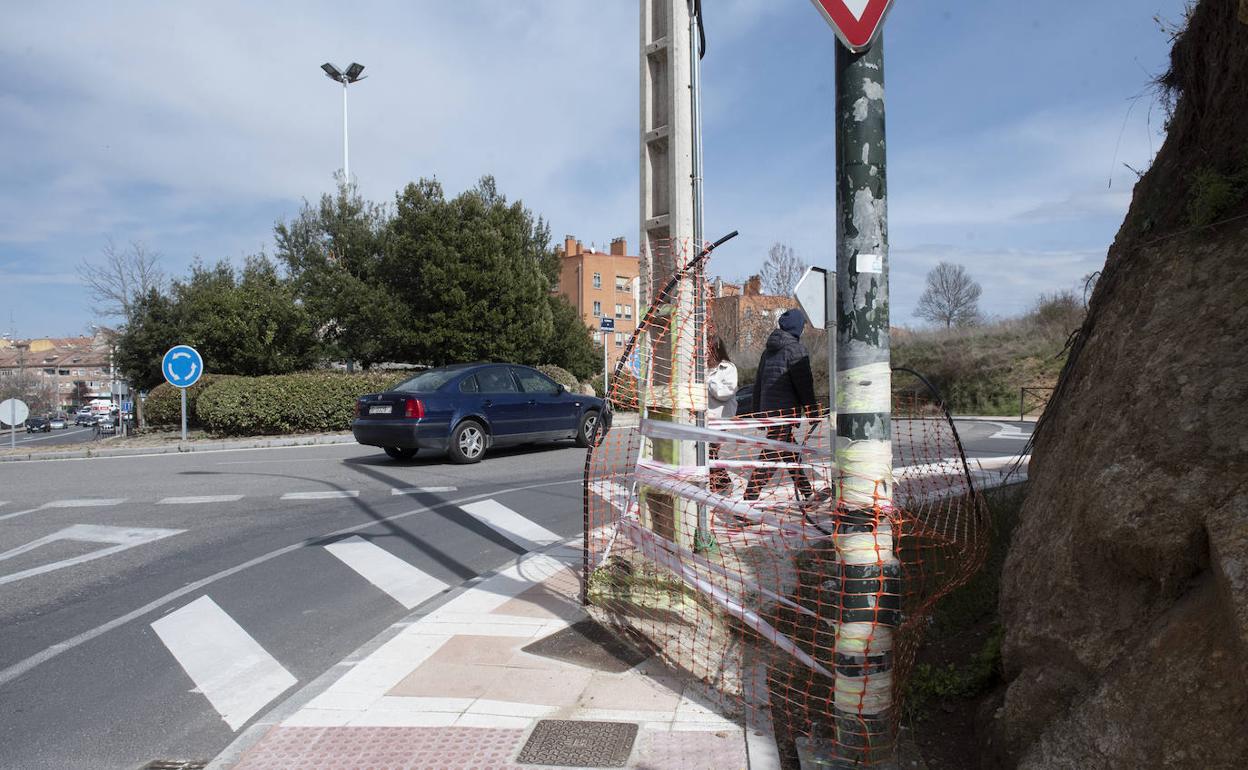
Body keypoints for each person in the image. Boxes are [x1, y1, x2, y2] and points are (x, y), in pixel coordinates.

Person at [744, 308, 817, 501]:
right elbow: (804, 385)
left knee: (789, 453)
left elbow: (758, 383)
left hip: (770, 411)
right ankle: (747, 503)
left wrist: (758, 412)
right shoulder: (796, 350)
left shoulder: (768, 351)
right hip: (785, 413)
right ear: (798, 328)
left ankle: (807, 493)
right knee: (769, 458)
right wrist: (812, 410)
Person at [705, 335, 738, 494]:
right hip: (704, 418)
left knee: (709, 451)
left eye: (709, 350)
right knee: (706, 451)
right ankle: (718, 483)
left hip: (720, 418)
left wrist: (710, 381)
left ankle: (722, 482)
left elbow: (725, 393)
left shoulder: (728, 368)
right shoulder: (702, 368)